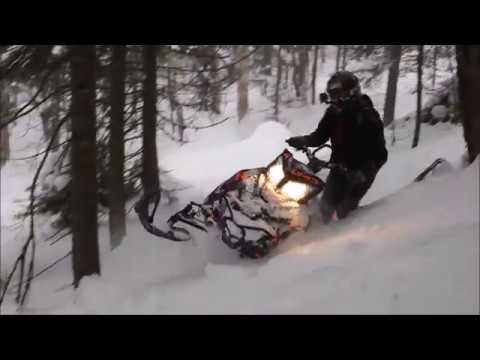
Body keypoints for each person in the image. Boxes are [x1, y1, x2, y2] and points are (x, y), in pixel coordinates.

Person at [286, 71, 388, 224]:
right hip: (338, 168)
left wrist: (364, 173)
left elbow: (380, 154)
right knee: (324, 209)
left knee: (344, 214)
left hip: (359, 174)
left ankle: (346, 243)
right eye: (331, 95)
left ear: (351, 93)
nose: (333, 100)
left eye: (337, 94)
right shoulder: (333, 113)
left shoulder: (367, 116)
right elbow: (320, 136)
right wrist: (304, 140)